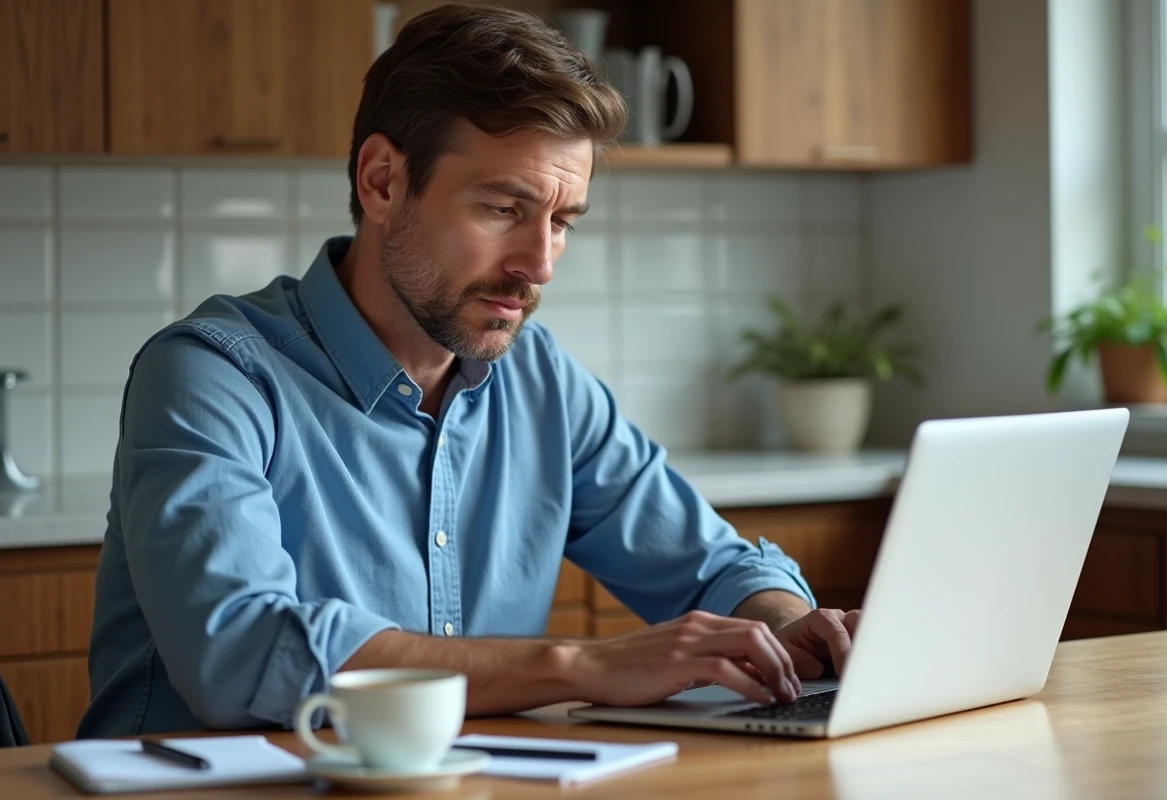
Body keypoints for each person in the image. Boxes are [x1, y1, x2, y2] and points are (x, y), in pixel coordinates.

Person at [77, 4, 858, 738]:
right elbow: (238, 650)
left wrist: (789, 623)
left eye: (561, 221)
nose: (540, 264)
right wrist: (580, 664)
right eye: (502, 208)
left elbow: (713, 565)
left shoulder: (541, 383)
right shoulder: (214, 375)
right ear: (381, 181)